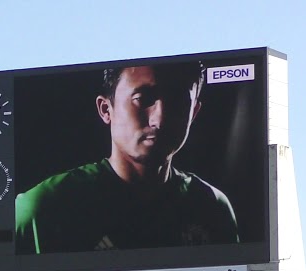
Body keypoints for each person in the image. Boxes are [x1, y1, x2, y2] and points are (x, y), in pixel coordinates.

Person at [15, 61, 239, 255]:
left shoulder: (211, 206)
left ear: (194, 113)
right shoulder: (45, 209)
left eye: (178, 101)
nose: (159, 119)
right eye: (142, 99)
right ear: (106, 109)